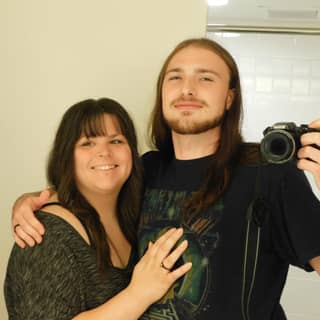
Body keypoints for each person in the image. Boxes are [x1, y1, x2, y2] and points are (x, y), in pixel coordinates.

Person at [11, 38, 320, 319]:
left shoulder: (268, 174)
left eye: (205, 78)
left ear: (229, 97)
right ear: (162, 92)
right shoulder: (145, 170)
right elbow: (93, 193)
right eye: (175, 77)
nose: (187, 89)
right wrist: (36, 202)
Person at [4, 98, 192, 320]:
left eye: (116, 141)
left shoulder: (137, 214)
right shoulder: (44, 236)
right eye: (87, 143)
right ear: (67, 157)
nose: (104, 152)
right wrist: (139, 293)